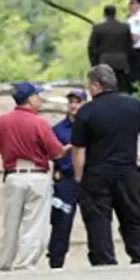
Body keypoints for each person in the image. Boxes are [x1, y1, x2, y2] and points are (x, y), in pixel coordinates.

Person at [71, 64, 140, 266]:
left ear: (96, 85)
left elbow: (78, 149)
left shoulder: (87, 112)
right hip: (127, 170)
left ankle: (104, 261)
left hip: (97, 173)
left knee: (98, 220)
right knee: (132, 217)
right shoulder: (135, 105)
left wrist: (79, 177)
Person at [0, 82, 64, 271]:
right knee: (35, 222)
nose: (40, 99)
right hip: (37, 173)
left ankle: (5, 261)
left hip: (13, 174)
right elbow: (55, 151)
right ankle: (25, 263)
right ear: (30, 98)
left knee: (11, 222)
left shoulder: (2, 121)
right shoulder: (39, 122)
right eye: (38, 96)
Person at [47, 88, 87, 269]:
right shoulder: (57, 129)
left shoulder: (91, 126)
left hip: (88, 179)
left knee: (94, 219)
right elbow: (53, 152)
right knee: (61, 221)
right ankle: (56, 259)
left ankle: (100, 258)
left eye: (78, 101)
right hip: (66, 180)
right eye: (71, 101)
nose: (73, 105)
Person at [88, 5, 135, 93]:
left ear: (104, 14)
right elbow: (129, 46)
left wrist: (94, 64)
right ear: (115, 14)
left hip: (105, 61)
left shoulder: (98, 28)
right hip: (121, 62)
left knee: (105, 87)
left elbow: (91, 48)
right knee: (121, 88)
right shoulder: (124, 28)